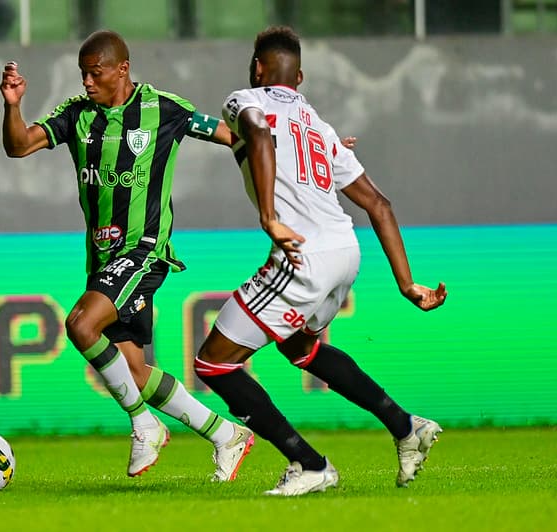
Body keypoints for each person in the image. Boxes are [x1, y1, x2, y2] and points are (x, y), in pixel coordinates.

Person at [0, 30, 303, 480]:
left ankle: (144, 425)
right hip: (103, 259)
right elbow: (19, 145)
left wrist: (305, 156)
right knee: (135, 371)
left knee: (81, 324)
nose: (86, 82)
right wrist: (11, 104)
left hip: (144, 250)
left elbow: (236, 138)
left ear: (122, 68)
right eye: (83, 73)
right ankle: (225, 435)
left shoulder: (164, 109)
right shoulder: (76, 115)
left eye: (95, 73)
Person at [193, 26, 448, 496]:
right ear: (301, 77)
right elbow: (379, 205)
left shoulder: (245, 98)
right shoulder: (319, 127)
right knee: (299, 348)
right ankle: (404, 426)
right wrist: (408, 285)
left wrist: (270, 218)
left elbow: (258, 134)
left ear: (257, 68)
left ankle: (309, 464)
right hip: (346, 254)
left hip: (302, 256)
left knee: (213, 365)